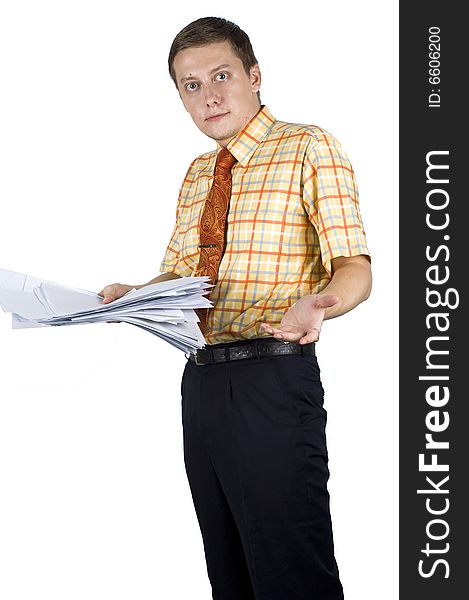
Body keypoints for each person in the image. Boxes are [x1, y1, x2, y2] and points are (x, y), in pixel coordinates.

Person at [99, 16, 372, 600]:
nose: (209, 96)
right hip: (200, 383)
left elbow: (355, 266)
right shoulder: (199, 173)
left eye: (221, 75)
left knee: (291, 572)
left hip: (272, 377)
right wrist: (137, 295)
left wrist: (320, 302)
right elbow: (183, 274)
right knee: (230, 573)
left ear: (254, 75)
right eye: (191, 86)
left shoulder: (308, 145)